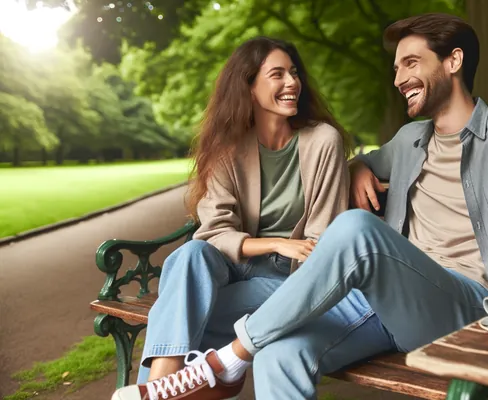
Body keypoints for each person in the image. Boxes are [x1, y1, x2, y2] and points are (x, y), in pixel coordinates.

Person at [113, 13, 488, 400]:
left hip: (472, 304)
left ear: (453, 62)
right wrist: (360, 166)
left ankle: (228, 358)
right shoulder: (409, 140)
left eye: (411, 63)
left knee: (357, 228)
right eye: (395, 66)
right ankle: (214, 366)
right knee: (282, 352)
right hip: (384, 306)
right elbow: (361, 159)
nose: (398, 77)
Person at [111, 36, 353, 400]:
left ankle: (157, 390)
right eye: (277, 74)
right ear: (249, 86)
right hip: (234, 267)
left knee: (178, 306)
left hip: (291, 280)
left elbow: (321, 242)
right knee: (189, 256)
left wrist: (287, 252)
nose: (292, 82)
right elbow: (213, 234)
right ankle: (163, 390)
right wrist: (275, 242)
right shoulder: (227, 147)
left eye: (294, 72)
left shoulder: (323, 141)